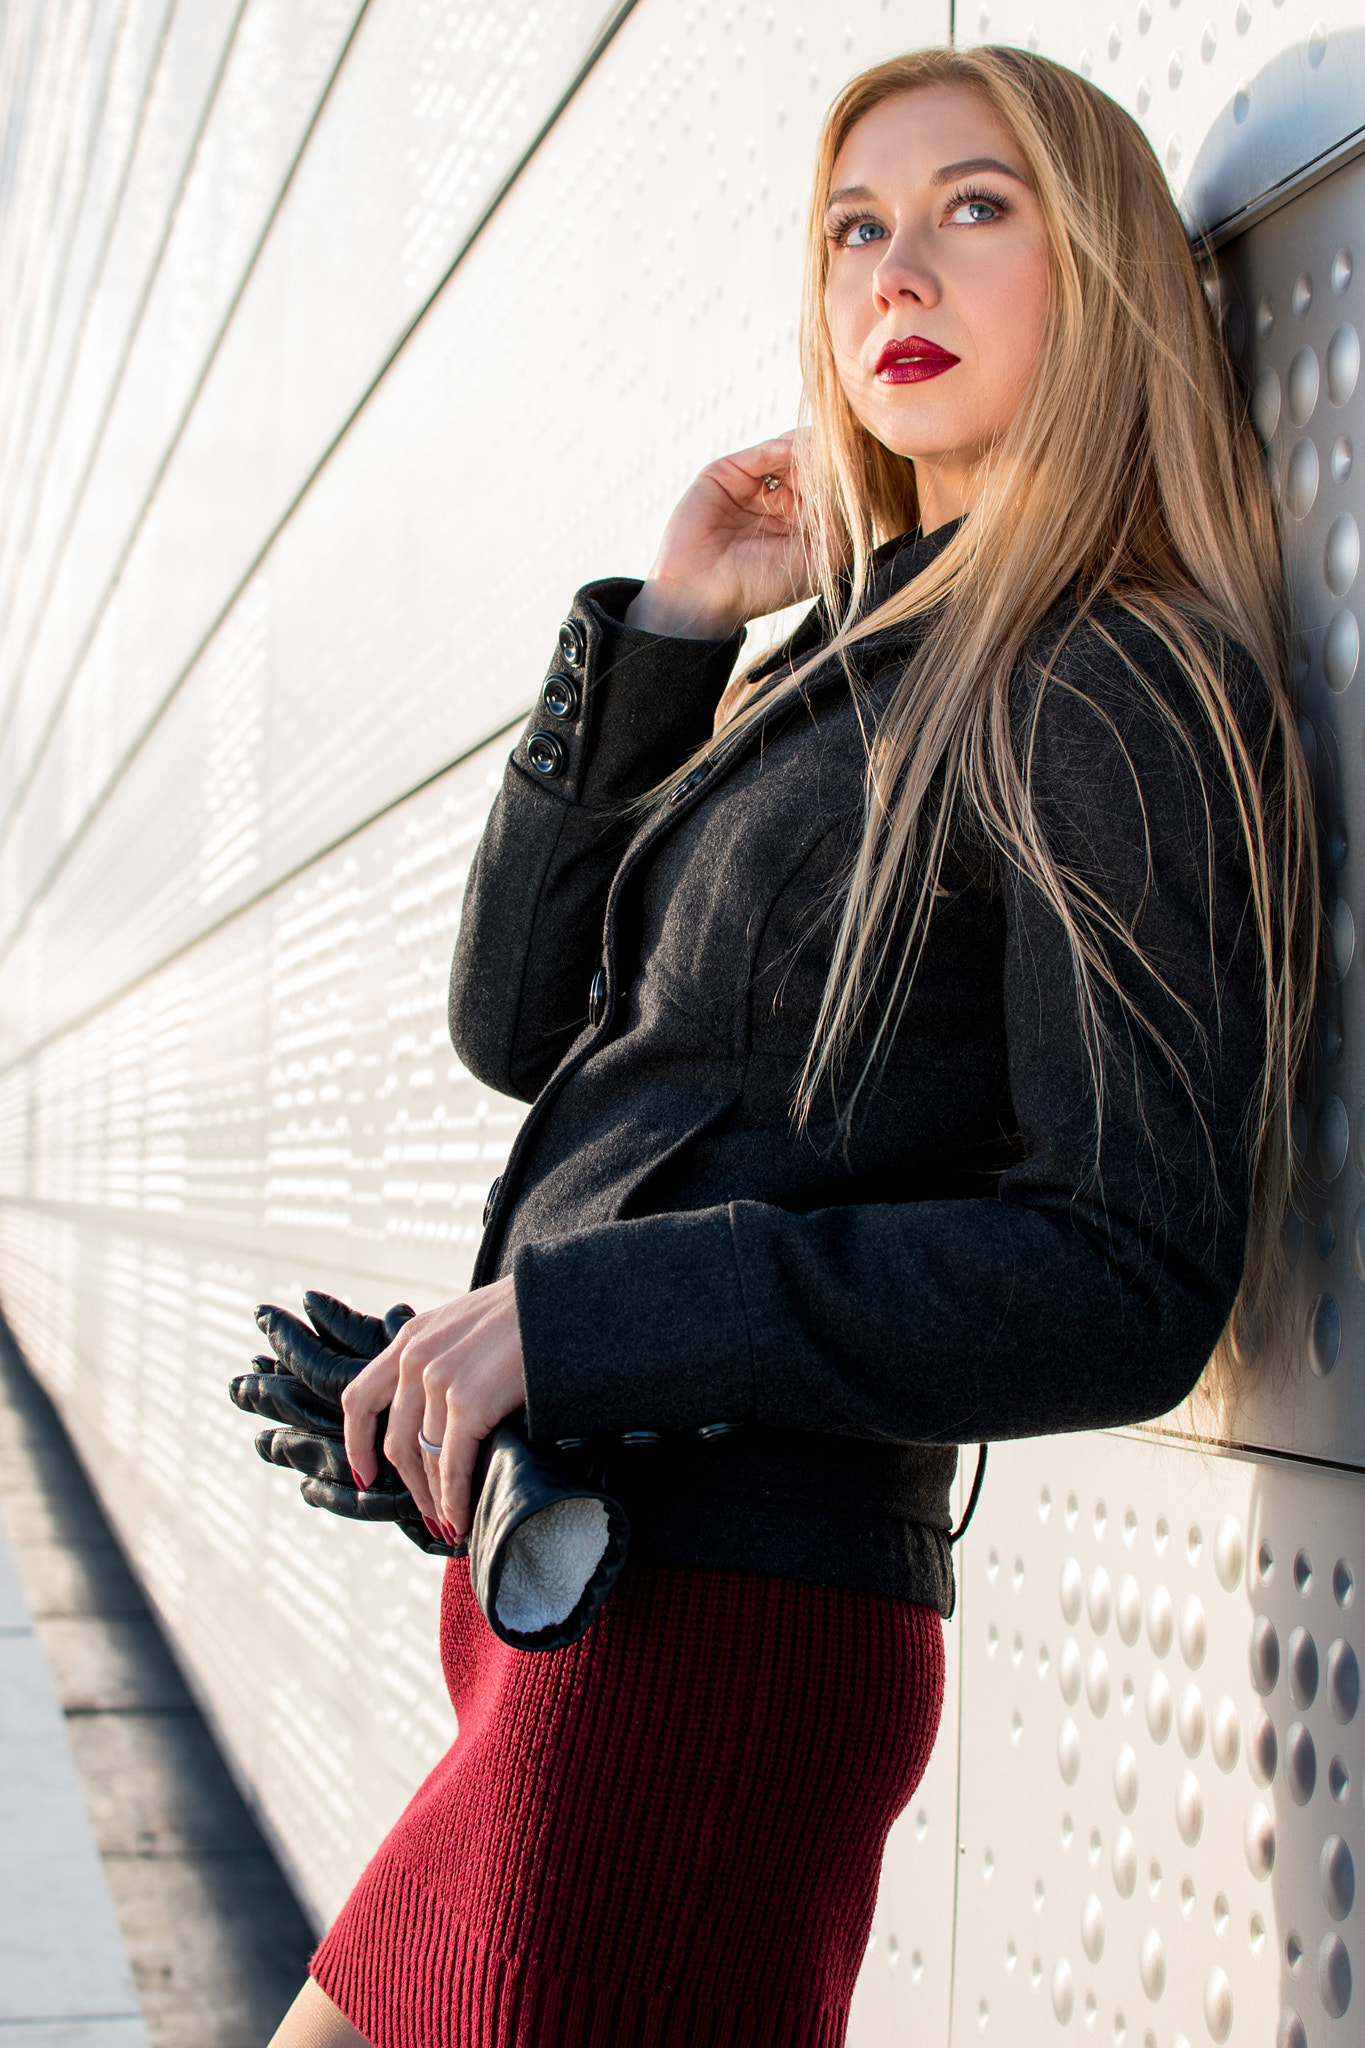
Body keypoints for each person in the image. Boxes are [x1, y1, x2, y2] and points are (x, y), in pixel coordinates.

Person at [268, 43, 1315, 2048]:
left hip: (720, 1644)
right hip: (576, 1614)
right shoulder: (858, 655)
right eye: (853, 230)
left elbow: (1123, 1275)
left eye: (968, 210)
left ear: (1095, 273)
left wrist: (577, 1323)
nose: (891, 274)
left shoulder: (1101, 679)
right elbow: (517, 1021)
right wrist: (666, 637)